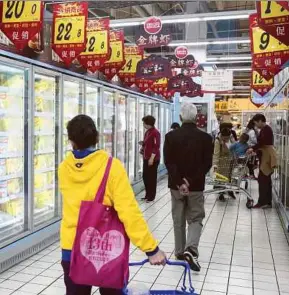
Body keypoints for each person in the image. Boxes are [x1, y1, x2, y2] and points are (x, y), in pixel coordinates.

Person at [59, 115, 166, 295]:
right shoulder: (111, 167)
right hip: (106, 250)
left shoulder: (64, 168)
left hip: (72, 249)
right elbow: (129, 213)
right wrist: (151, 249)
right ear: (97, 137)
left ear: (71, 142)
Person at [164, 103, 213, 272]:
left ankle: (179, 252)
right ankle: (191, 249)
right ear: (196, 117)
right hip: (196, 186)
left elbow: (169, 162)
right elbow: (207, 164)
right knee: (196, 218)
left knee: (178, 218)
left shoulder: (171, 137)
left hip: (176, 187)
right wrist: (190, 181)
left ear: (180, 117)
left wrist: (180, 182)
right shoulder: (206, 138)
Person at [247, 114, 277, 209]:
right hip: (265, 155)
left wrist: (253, 148)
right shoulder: (265, 129)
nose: (255, 125)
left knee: (263, 178)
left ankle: (263, 202)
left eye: (256, 122)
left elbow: (262, 143)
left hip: (267, 156)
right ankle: (267, 202)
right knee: (265, 178)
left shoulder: (266, 129)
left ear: (260, 120)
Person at [141, 115, 161, 203]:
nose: (143, 124)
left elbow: (156, 147)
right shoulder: (147, 132)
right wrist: (142, 145)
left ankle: (151, 196)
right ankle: (147, 194)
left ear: (148, 123)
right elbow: (146, 143)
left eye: (144, 123)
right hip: (146, 157)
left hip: (153, 159)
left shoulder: (155, 133)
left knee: (151, 177)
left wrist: (151, 158)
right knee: (145, 176)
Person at [213, 128, 236, 201]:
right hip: (221, 163)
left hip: (230, 162)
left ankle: (229, 190)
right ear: (222, 136)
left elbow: (234, 147)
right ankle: (221, 194)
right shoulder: (218, 141)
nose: (227, 139)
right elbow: (216, 154)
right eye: (225, 138)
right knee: (221, 179)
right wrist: (215, 165)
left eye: (228, 137)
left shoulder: (231, 139)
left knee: (229, 178)